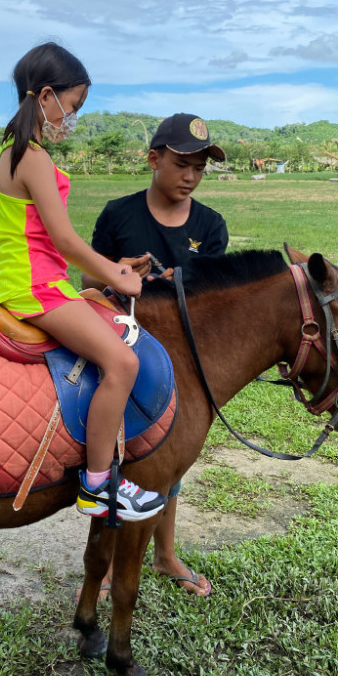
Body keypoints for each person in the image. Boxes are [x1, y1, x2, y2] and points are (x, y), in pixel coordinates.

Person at [0, 42, 167, 523]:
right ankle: (97, 484)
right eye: (72, 106)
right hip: (36, 289)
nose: (72, 117)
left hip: (28, 280)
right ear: (46, 96)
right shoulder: (35, 158)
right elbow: (64, 240)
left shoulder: (11, 151)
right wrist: (115, 276)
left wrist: (114, 268)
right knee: (122, 362)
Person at [80, 113, 229, 598]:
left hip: (184, 361)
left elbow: (213, 301)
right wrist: (119, 273)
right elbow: (88, 285)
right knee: (118, 456)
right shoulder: (118, 214)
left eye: (200, 168)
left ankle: (165, 555)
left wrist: (168, 285)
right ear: (154, 159)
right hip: (119, 350)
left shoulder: (211, 226)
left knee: (173, 463)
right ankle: (104, 565)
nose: (190, 176)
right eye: (182, 163)